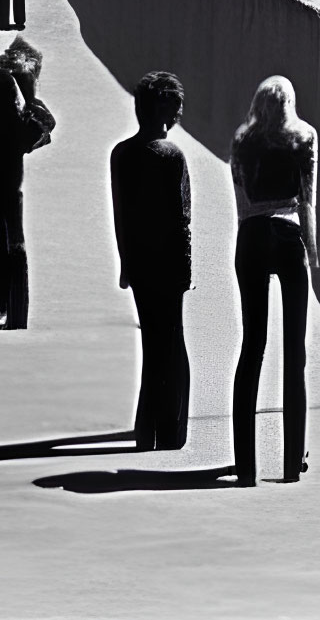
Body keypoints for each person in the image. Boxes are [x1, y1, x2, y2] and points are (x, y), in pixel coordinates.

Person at [230, 76, 318, 486]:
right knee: (293, 352)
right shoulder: (304, 137)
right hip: (287, 235)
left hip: (250, 237)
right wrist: (311, 252)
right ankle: (289, 464)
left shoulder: (242, 141)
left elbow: (242, 206)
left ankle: (245, 466)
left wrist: (246, 242)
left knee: (252, 348)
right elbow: (307, 200)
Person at [111, 72, 192, 451]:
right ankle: (171, 431)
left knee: (154, 345)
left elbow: (120, 215)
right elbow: (181, 218)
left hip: (140, 265)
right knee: (172, 346)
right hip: (168, 266)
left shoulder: (122, 153)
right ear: (161, 108)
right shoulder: (170, 155)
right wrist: (186, 269)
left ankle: (147, 429)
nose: (179, 111)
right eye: (175, 105)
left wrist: (126, 262)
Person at [0, 37, 55, 328]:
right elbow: (18, 140)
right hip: (1, 181)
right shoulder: (6, 88)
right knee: (3, 246)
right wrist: (44, 121)